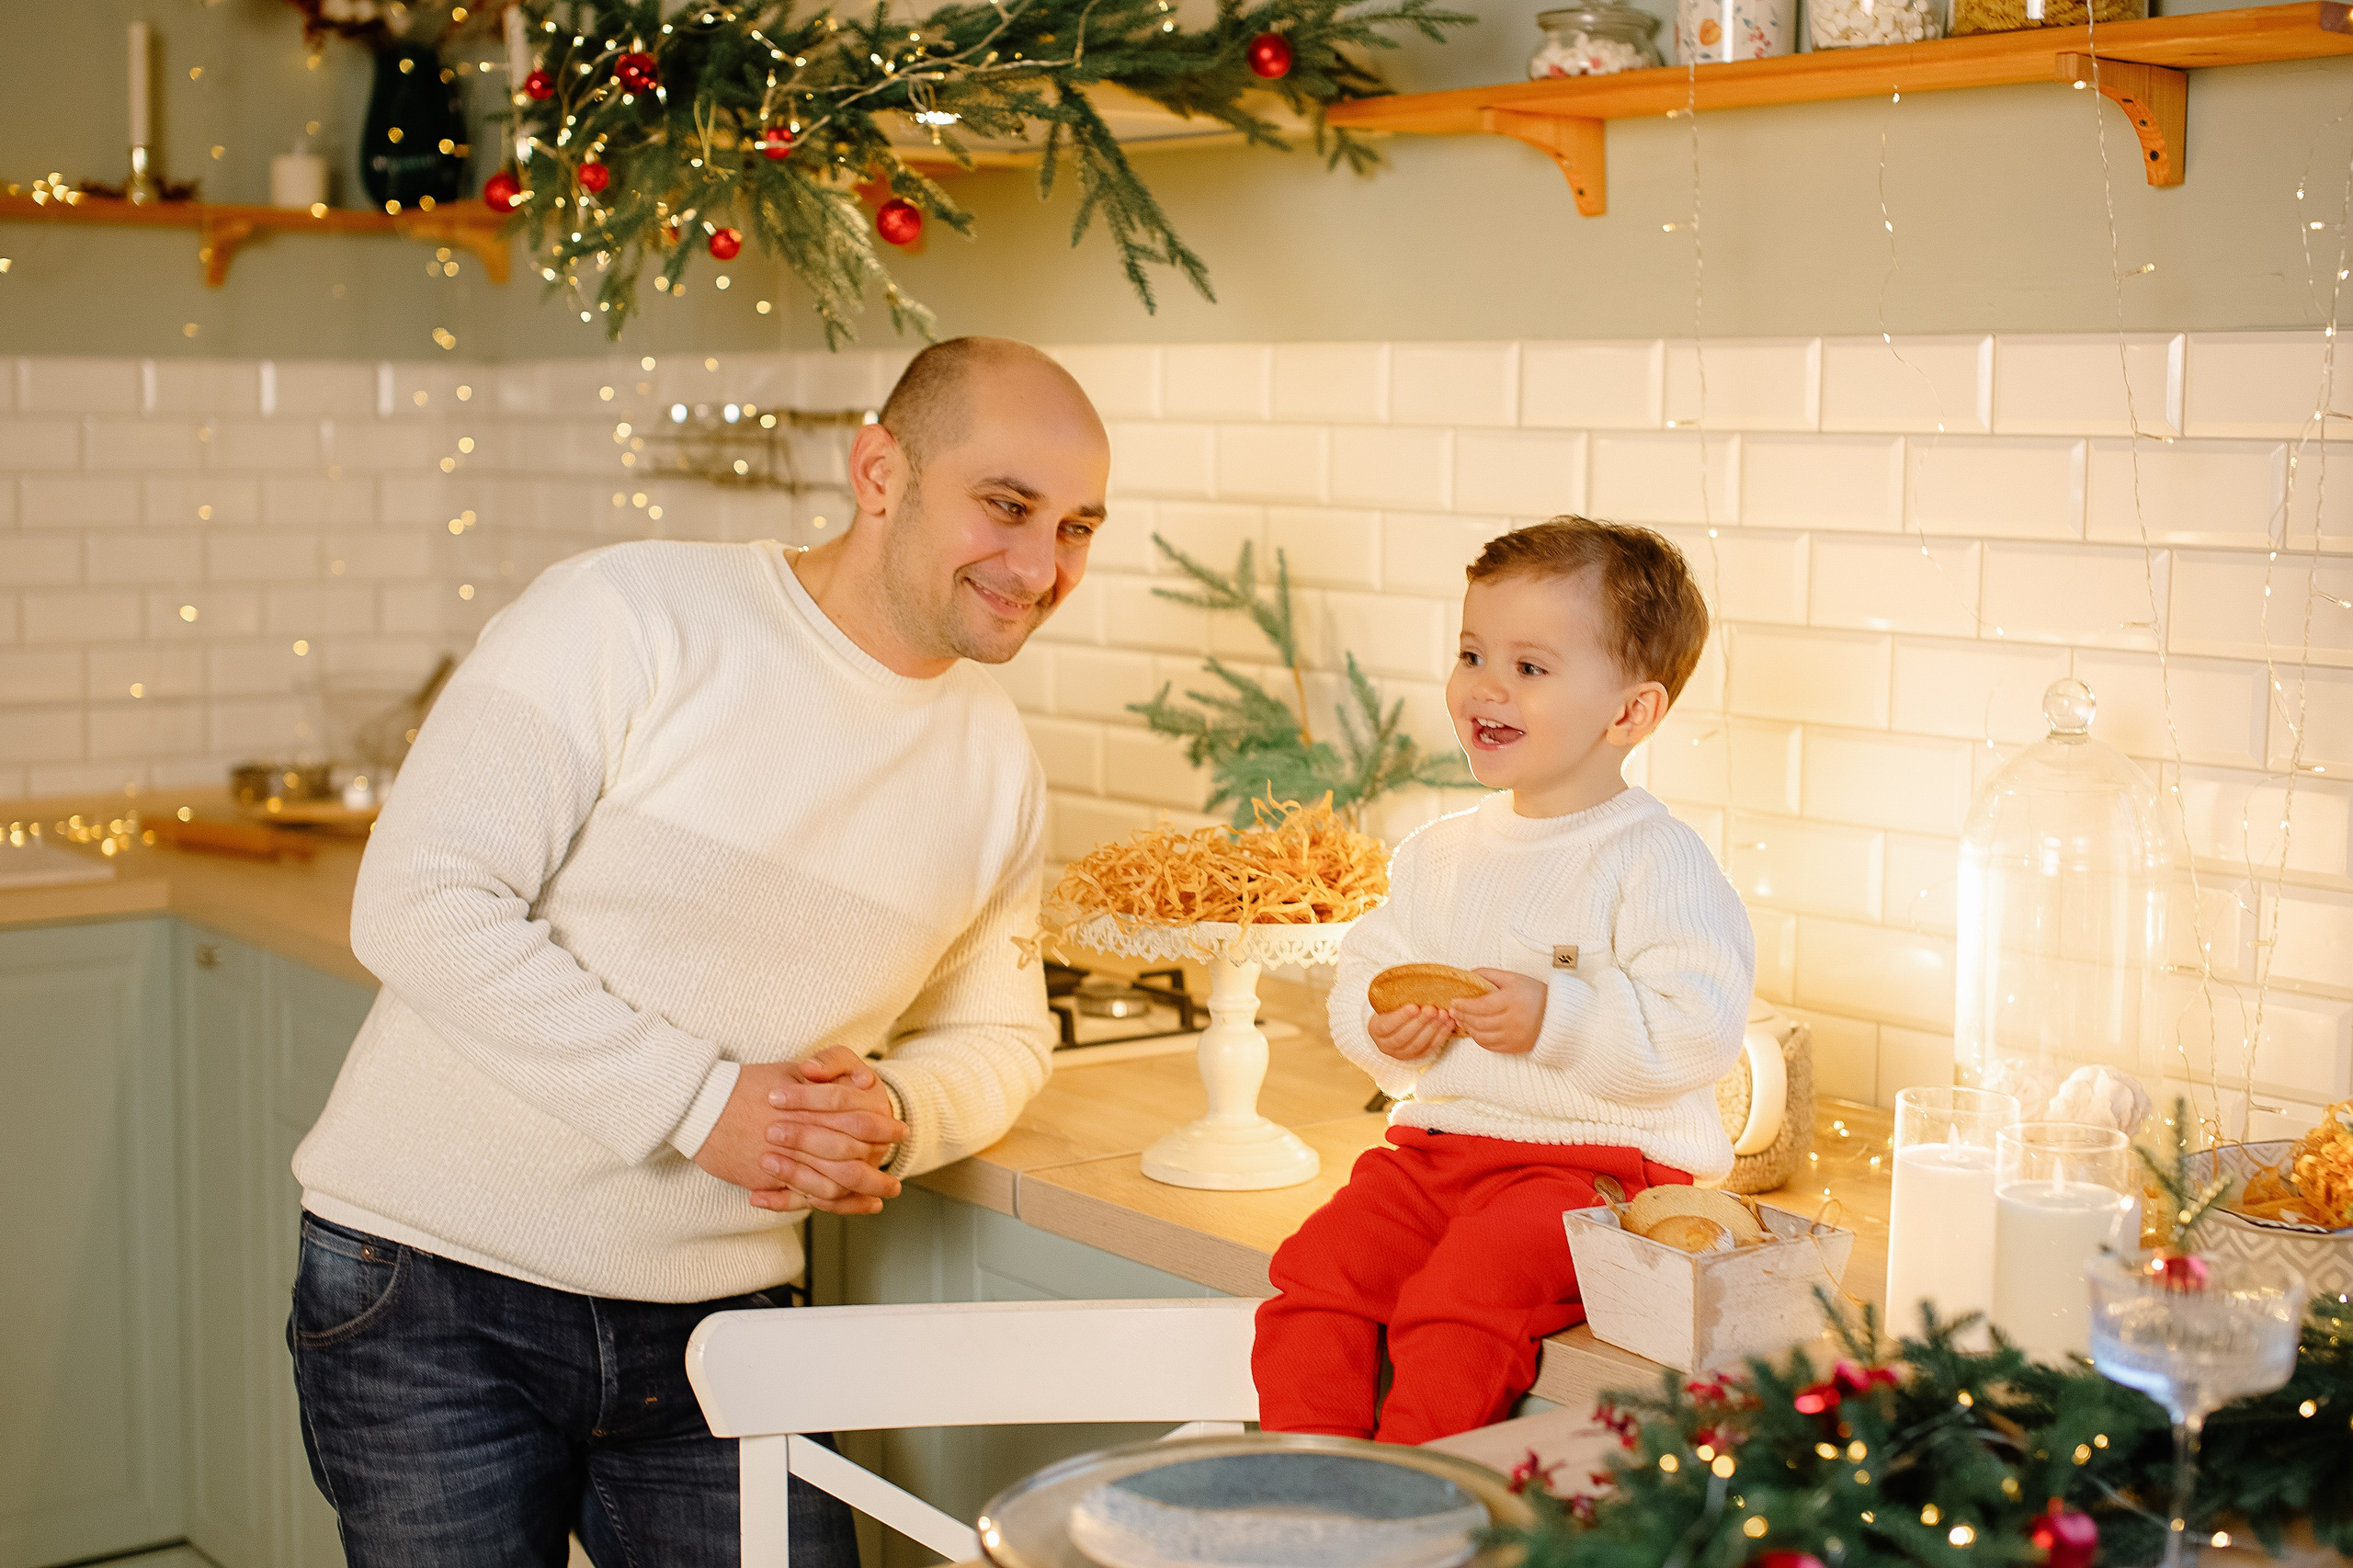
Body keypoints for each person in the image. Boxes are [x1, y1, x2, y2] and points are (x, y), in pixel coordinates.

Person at [287, 336, 1108, 1565]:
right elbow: (419, 898)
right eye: (1007, 506)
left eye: (1080, 526)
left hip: (724, 1327)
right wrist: (702, 1102)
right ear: (879, 470)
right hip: (433, 1287)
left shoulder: (997, 768)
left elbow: (1000, 1033)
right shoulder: (626, 613)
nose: (1042, 565)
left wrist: (891, 1108)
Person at [1250, 517, 1756, 1444]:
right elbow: (1369, 974)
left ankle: (1411, 1496)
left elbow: (1698, 1032)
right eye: (1472, 651)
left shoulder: (1655, 859)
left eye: (1530, 666)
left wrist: (1553, 1019)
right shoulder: (1441, 852)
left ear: (1628, 714)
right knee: (1316, 1268)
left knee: (1459, 1299)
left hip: (1594, 1167)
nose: (1485, 684)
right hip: (1440, 1151)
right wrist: (1384, 1035)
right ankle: (1308, 1477)